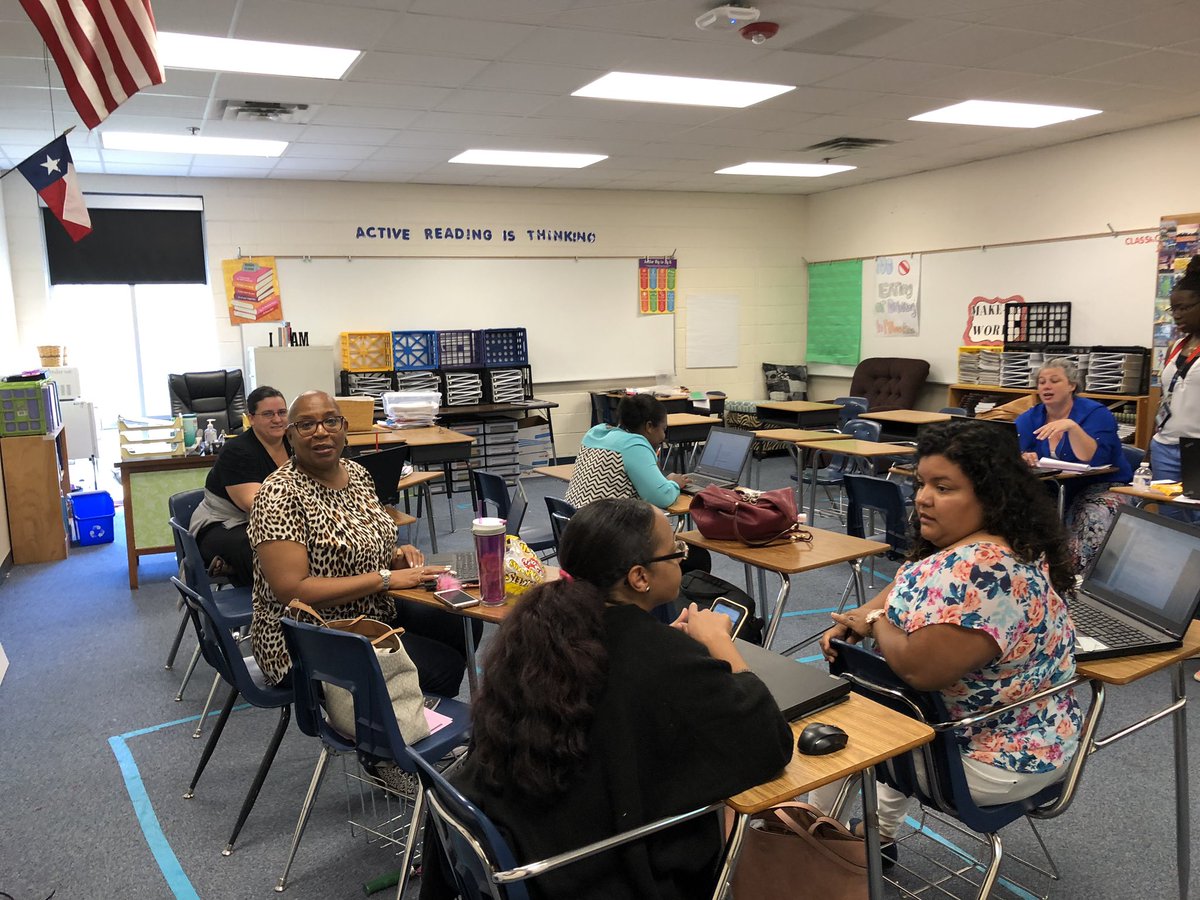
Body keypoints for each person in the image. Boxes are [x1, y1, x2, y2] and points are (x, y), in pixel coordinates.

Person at [424, 498, 793, 900]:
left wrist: (662, 646)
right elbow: (769, 740)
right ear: (639, 577)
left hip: (527, 849)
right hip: (588, 873)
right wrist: (720, 643)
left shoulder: (539, 628)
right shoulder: (660, 659)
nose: (682, 560)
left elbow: (614, 684)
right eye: (677, 552)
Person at [814, 420, 1081, 858]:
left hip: (992, 756)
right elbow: (905, 582)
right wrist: (863, 614)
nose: (922, 498)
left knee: (836, 738)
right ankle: (859, 836)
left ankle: (808, 847)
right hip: (984, 732)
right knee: (878, 716)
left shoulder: (985, 571)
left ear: (991, 495)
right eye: (921, 483)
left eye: (944, 487)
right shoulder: (997, 544)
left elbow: (918, 669)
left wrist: (877, 617)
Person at [248, 390, 472, 696]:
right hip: (309, 638)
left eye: (330, 422)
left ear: (344, 428)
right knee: (441, 665)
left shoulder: (357, 474)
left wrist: (395, 555)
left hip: (372, 613)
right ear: (290, 436)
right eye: (306, 425)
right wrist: (386, 578)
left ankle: (414, 714)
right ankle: (394, 734)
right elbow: (293, 591)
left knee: (460, 621)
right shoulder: (279, 494)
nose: (321, 432)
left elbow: (362, 540)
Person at [1014, 357, 1132, 574]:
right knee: (1016, 511)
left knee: (1093, 515)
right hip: (1052, 488)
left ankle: (1074, 577)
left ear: (1071, 385)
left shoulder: (1096, 414)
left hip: (1101, 486)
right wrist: (1022, 456)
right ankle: (1030, 574)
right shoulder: (1030, 417)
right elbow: (1013, 451)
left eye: (1054, 380)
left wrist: (1072, 428)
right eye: (1041, 382)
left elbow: (1092, 458)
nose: (1046, 386)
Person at [188, 385, 290, 587]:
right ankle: (278, 605)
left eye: (282, 412)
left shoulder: (293, 443)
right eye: (268, 414)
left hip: (273, 521)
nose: (277, 419)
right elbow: (255, 504)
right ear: (251, 418)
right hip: (224, 524)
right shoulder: (237, 451)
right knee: (265, 549)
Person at [566, 394, 690, 509]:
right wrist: (674, 483)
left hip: (573, 522)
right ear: (649, 426)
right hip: (601, 528)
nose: (664, 437)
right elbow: (662, 498)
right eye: (664, 429)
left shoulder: (595, 432)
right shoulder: (633, 445)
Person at [1151, 255, 1200, 521]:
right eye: (1173, 309)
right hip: (1165, 446)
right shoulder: (1175, 347)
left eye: (1185, 308)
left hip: (1197, 446)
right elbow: (1163, 399)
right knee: (1168, 520)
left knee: (1196, 520)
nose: (1177, 315)